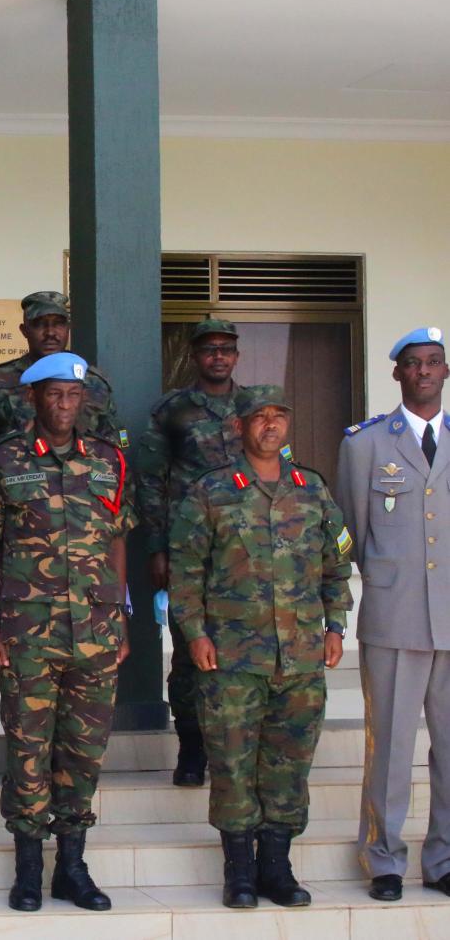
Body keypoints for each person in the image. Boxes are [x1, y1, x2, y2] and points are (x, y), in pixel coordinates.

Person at [171, 385, 352, 910]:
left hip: (300, 657)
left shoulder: (311, 489)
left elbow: (336, 564)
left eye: (279, 416)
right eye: (259, 417)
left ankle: (277, 867)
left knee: (289, 764)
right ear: (238, 426)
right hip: (231, 658)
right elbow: (185, 571)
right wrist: (195, 633)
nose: (270, 425)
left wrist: (336, 626)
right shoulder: (211, 491)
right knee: (231, 763)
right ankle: (240, 872)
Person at [0, 351, 134, 913]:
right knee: (27, 749)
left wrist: (121, 615)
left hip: (96, 629)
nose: (65, 404)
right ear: (33, 398)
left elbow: (117, 537)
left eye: (73, 395)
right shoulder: (4, 458)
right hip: (28, 631)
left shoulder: (109, 460)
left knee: (84, 751)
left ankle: (72, 867)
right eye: (55, 394)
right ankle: (27, 869)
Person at [335, 326, 450, 902]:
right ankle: (383, 858)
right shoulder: (366, 444)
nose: (423, 371)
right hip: (395, 615)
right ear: (397, 373)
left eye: (433, 362)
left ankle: (444, 858)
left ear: (445, 371)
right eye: (413, 363)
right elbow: (353, 532)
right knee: (391, 748)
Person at [135, 319, 243, 787]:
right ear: (195, 356)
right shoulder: (173, 410)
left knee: (242, 655)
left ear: (236, 355)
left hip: (246, 553)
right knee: (188, 656)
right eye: (209, 349)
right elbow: (150, 482)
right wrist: (157, 547)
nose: (218, 356)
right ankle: (192, 748)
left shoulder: (255, 406)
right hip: (188, 551)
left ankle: (233, 751)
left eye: (225, 348)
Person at [0, 291, 123, 511]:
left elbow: (116, 455)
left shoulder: (94, 383)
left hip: (86, 511)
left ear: (68, 328)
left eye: (58, 324)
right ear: (24, 330)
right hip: (21, 509)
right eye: (39, 324)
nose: (50, 333)